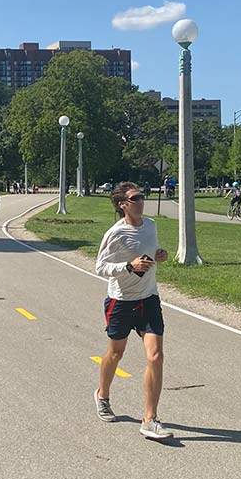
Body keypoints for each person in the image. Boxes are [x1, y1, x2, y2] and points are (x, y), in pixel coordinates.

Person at [94, 182, 173, 440]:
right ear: (122, 204)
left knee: (156, 356)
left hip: (148, 298)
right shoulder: (115, 233)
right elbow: (100, 267)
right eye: (135, 197)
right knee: (116, 353)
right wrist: (128, 266)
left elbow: (150, 250)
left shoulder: (150, 225)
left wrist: (158, 254)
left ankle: (150, 419)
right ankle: (102, 394)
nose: (141, 200)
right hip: (121, 301)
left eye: (142, 195)